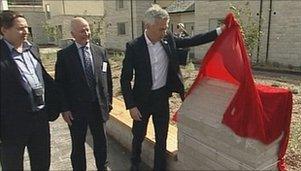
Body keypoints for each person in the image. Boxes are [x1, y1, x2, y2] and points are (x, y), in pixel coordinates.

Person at [120, 4, 225, 171]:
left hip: (161, 98)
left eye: (166, 28)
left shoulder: (167, 39)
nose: (164, 32)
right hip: (141, 101)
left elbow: (191, 40)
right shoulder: (134, 47)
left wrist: (219, 31)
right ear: (148, 26)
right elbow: (125, 79)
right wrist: (131, 106)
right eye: (161, 29)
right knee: (138, 136)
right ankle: (134, 164)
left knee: (161, 138)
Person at [0, 10, 65, 170]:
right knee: (12, 165)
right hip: (11, 125)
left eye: (27, 28)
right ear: (4, 30)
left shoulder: (33, 49)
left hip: (40, 119)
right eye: (20, 28)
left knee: (42, 163)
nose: (26, 32)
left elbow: (44, 79)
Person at [55, 17, 113, 171]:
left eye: (87, 29)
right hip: (76, 110)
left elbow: (107, 78)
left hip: (98, 107)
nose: (86, 33)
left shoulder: (100, 51)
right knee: (78, 145)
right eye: (82, 31)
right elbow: (60, 85)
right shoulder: (64, 56)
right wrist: (64, 108)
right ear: (73, 33)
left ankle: (103, 167)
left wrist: (108, 102)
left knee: (101, 142)